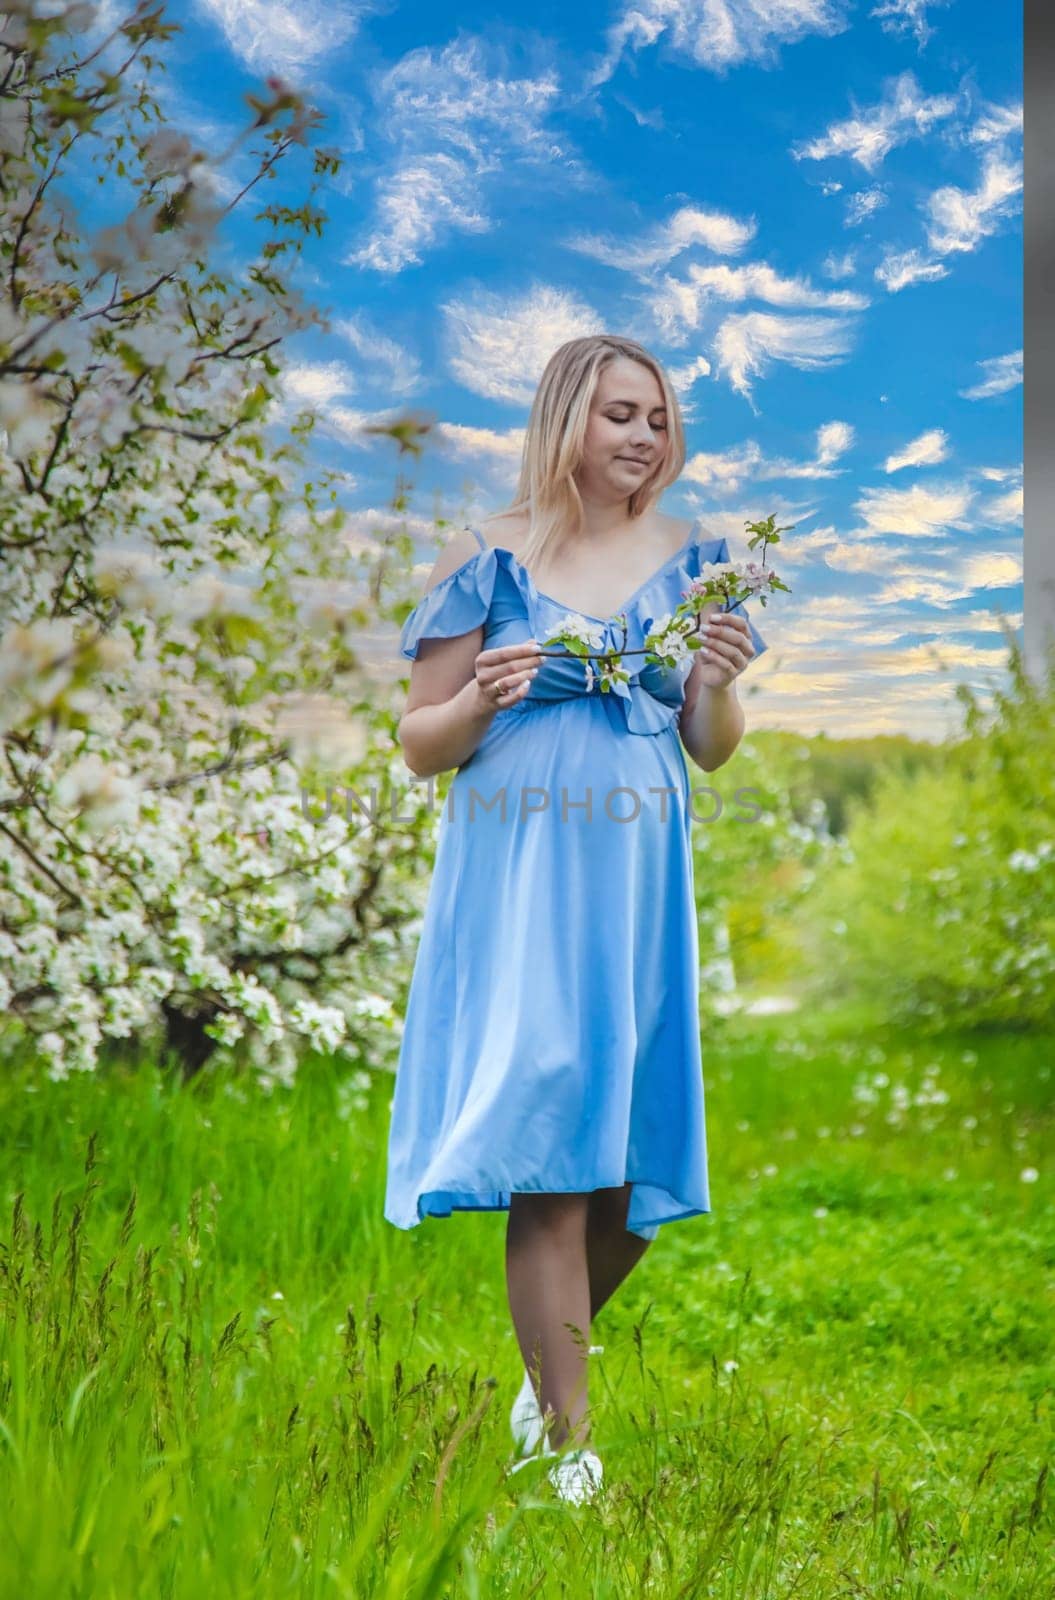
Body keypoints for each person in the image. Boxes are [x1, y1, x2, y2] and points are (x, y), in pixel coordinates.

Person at [385, 334, 768, 1505]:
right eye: (618, 414)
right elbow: (416, 742)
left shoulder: (699, 561)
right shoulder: (488, 558)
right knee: (553, 1153)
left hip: (634, 868)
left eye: (656, 416)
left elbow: (706, 747)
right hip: (522, 863)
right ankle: (565, 1441)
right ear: (563, 420)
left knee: (636, 1173)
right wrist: (478, 696)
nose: (644, 436)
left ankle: (539, 1363)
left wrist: (720, 680)